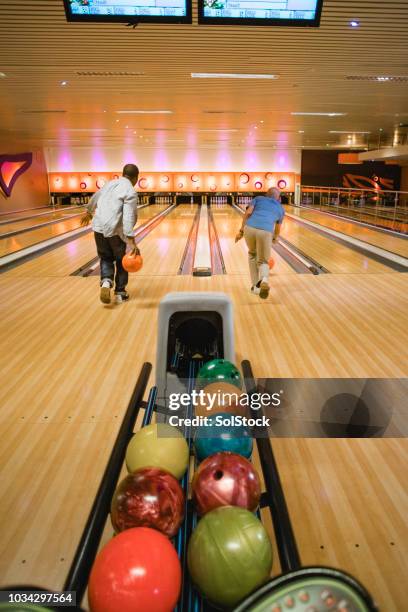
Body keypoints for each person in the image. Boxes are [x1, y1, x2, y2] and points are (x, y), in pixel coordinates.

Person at [80, 163, 139, 304]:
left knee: (105, 257)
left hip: (98, 228)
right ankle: (120, 292)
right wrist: (130, 238)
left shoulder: (109, 184)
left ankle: (106, 282)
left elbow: (95, 197)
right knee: (121, 261)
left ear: (123, 173)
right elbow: (129, 215)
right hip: (115, 231)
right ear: (136, 178)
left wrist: (88, 211)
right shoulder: (130, 191)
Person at [235, 187, 284, 299]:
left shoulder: (258, 199)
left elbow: (248, 213)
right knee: (263, 261)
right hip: (266, 231)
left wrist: (241, 231)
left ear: (266, 194)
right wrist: (275, 237)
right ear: (278, 198)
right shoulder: (280, 209)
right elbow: (277, 228)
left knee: (252, 254)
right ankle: (265, 280)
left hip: (250, 228)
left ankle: (255, 287)